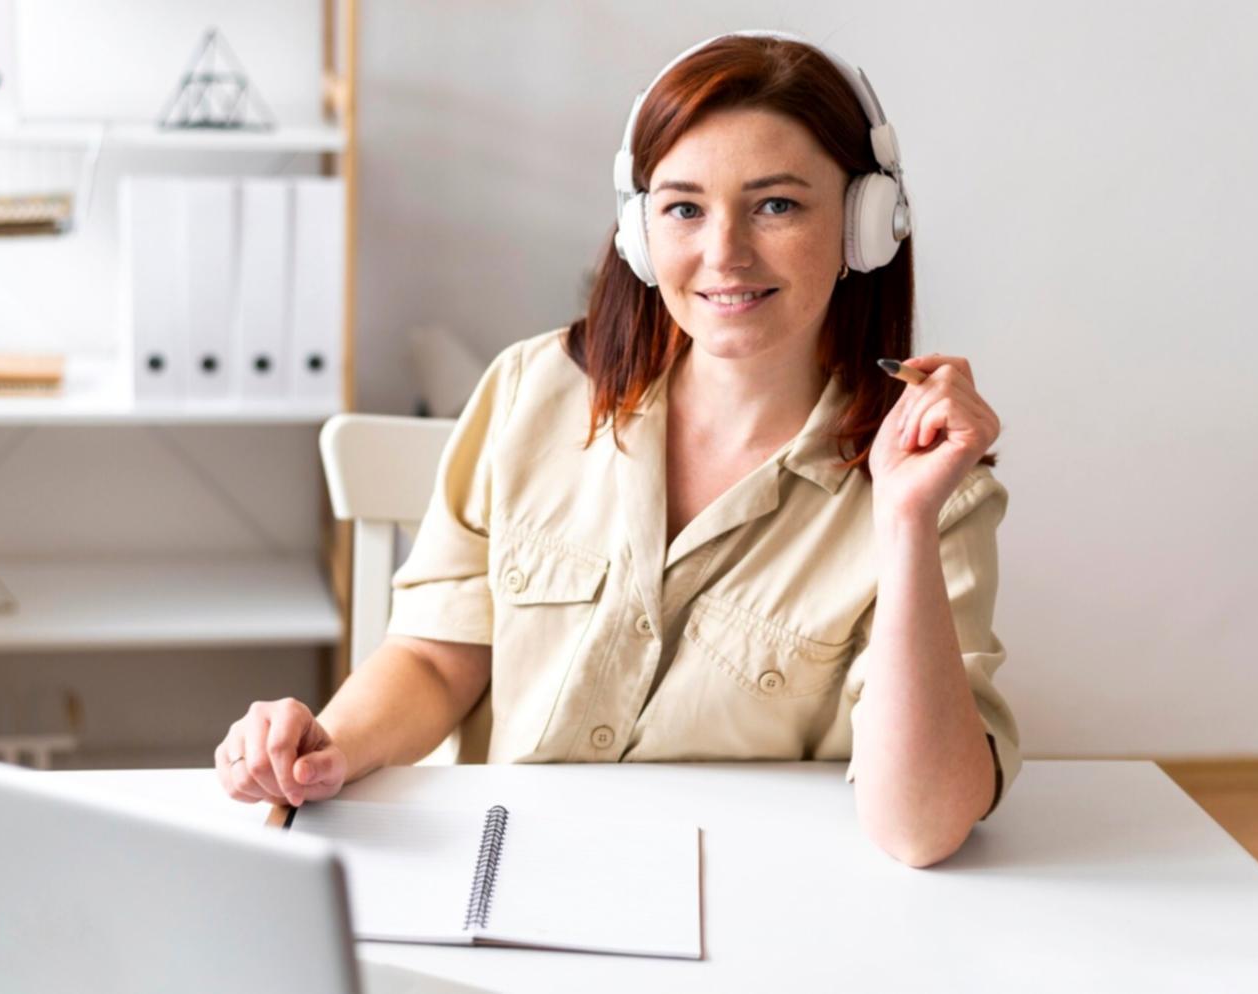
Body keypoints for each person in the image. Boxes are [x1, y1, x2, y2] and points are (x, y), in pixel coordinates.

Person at [216, 31, 1020, 868]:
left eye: (777, 205)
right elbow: (434, 655)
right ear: (639, 231)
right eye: (683, 207)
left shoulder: (933, 490)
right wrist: (332, 746)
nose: (724, 253)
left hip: (752, 900)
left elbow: (920, 828)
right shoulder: (533, 390)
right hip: (505, 873)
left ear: (867, 228)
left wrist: (905, 521)